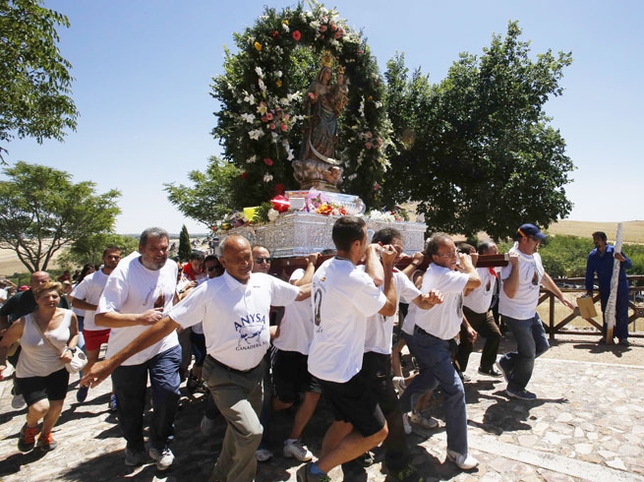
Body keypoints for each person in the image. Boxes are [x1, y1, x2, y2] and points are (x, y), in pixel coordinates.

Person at [83, 234, 310, 482]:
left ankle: (219, 476)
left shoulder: (264, 283)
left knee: (239, 435)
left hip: (255, 376)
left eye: (248, 258)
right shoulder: (209, 291)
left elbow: (298, 294)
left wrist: (326, 279)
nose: (245, 263)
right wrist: (112, 361)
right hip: (225, 377)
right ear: (223, 261)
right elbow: (165, 326)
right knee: (251, 433)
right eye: (237, 259)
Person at [297, 216, 398, 482]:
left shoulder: (326, 267)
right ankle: (315, 472)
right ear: (357, 243)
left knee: (344, 423)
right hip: (343, 371)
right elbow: (389, 308)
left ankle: (321, 470)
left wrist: (371, 256)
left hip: (322, 363)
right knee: (378, 432)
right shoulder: (353, 278)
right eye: (365, 240)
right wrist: (387, 267)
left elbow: (367, 281)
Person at [94, 227, 181, 471]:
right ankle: (133, 445)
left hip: (164, 343)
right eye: (154, 249)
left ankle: (160, 442)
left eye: (164, 248)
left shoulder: (172, 267)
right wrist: (139, 319)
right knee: (130, 404)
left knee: (168, 391)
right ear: (141, 248)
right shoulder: (124, 271)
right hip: (127, 350)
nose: (160, 254)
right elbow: (102, 317)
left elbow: (170, 299)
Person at [361, 227, 443, 482]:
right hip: (357, 352)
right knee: (384, 412)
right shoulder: (361, 274)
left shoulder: (397, 276)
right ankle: (394, 464)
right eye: (396, 248)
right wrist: (384, 267)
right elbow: (386, 309)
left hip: (379, 352)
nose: (400, 254)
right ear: (381, 247)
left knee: (376, 409)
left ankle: (367, 453)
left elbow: (421, 302)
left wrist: (432, 298)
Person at [398, 232, 481, 471]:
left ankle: (396, 410)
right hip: (429, 340)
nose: (456, 256)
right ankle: (458, 450)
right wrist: (468, 265)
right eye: (450, 253)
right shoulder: (441, 274)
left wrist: (463, 326)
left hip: (439, 339)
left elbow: (463, 294)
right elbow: (474, 282)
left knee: (429, 379)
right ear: (435, 257)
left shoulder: (449, 273)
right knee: (455, 391)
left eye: (456, 251)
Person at [496, 224, 575, 400]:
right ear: (524, 239)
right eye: (536, 239)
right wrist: (516, 266)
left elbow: (543, 276)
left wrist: (561, 296)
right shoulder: (511, 259)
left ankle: (507, 361)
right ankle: (516, 387)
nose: (539, 242)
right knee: (529, 352)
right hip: (516, 313)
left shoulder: (535, 256)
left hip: (530, 312)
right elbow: (509, 291)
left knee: (542, 346)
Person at [0, 281, 79, 452]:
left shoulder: (68, 315)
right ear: (36, 299)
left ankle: (46, 435)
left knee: (56, 407)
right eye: (46, 297)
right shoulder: (23, 322)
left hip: (58, 370)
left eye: (55, 296)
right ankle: (29, 427)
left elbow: (75, 335)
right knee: (40, 408)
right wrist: (2, 363)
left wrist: (71, 350)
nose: (51, 299)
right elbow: (4, 344)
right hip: (30, 372)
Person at [271, 253, 321, 463]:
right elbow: (298, 289)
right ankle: (267, 421)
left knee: (313, 394)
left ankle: (293, 440)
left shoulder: (336, 277)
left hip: (314, 350)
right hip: (289, 348)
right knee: (284, 401)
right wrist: (311, 264)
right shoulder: (303, 272)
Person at [0, 271, 69, 409]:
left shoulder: (58, 298)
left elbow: (67, 316)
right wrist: (4, 328)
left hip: (51, 341)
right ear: (30, 284)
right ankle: (21, 386)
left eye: (44, 281)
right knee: (23, 367)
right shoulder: (19, 298)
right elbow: (2, 313)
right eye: (37, 281)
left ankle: (44, 398)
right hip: (22, 342)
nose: (40, 284)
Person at [69, 246, 122, 403]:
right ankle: (84, 383)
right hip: (93, 325)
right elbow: (73, 299)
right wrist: (96, 309)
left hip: (114, 325)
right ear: (103, 258)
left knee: (114, 360)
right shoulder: (91, 279)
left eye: (116, 257)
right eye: (110, 257)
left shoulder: (122, 277)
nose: (113, 260)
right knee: (91, 359)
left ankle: (115, 395)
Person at [456, 240, 503, 378]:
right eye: (494, 251)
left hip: (484, 313)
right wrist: (474, 264)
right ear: (483, 253)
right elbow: (467, 291)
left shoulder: (493, 267)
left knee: (495, 335)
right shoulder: (474, 268)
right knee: (466, 344)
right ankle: (458, 372)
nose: (497, 253)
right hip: (468, 312)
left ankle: (486, 367)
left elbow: (509, 260)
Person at [584, 231, 633, 345]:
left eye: (598, 239)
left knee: (621, 311)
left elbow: (629, 265)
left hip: (620, 286)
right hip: (605, 287)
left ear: (604, 240)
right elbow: (589, 274)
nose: (596, 242)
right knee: (606, 311)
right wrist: (589, 290)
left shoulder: (615, 251)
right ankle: (607, 335)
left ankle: (623, 337)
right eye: (594, 240)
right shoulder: (593, 256)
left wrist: (622, 260)